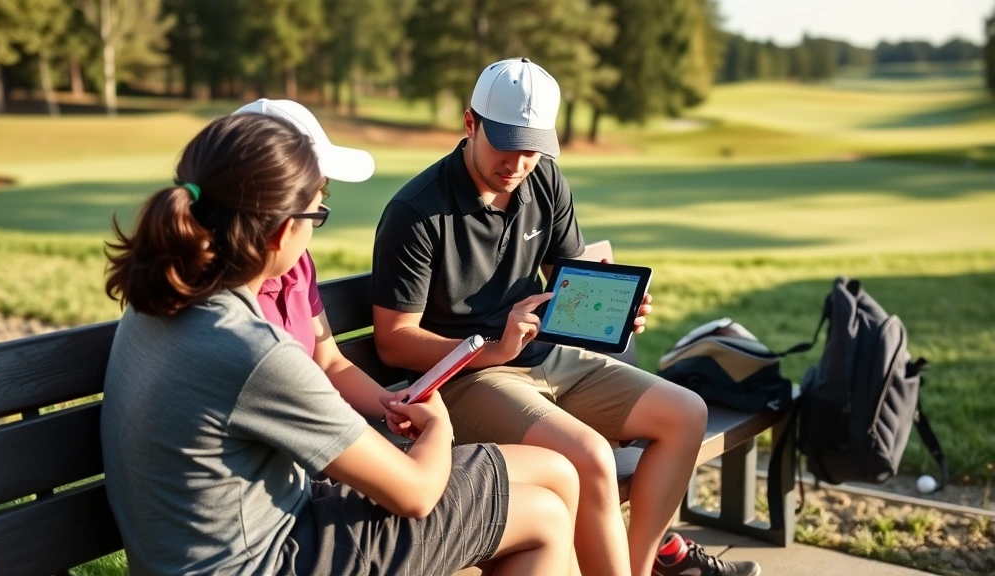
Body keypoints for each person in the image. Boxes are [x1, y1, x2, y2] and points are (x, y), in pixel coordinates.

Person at [100, 107, 581, 575]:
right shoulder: (249, 349)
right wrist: (439, 427)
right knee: (542, 515)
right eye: (318, 211)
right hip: (271, 555)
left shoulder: (160, 301)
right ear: (284, 230)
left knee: (551, 472)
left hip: (256, 533)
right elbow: (414, 494)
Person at [371, 58, 762, 576]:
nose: (518, 162)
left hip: (549, 359)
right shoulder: (417, 212)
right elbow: (393, 341)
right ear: (471, 124)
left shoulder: (544, 179)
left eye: (532, 147)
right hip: (469, 379)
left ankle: (639, 568)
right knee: (593, 457)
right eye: (506, 144)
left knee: (686, 412)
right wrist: (493, 350)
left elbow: (566, 275)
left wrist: (613, 307)